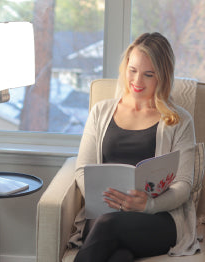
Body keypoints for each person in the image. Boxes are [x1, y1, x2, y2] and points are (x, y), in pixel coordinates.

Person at [68, 32, 200, 261]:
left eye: (149, 74)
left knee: (108, 225)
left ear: (163, 77)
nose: (137, 81)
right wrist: (109, 199)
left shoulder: (180, 120)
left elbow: (183, 185)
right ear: (125, 67)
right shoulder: (101, 112)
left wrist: (148, 205)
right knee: (120, 255)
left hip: (157, 217)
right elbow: (82, 169)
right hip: (105, 211)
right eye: (133, 71)